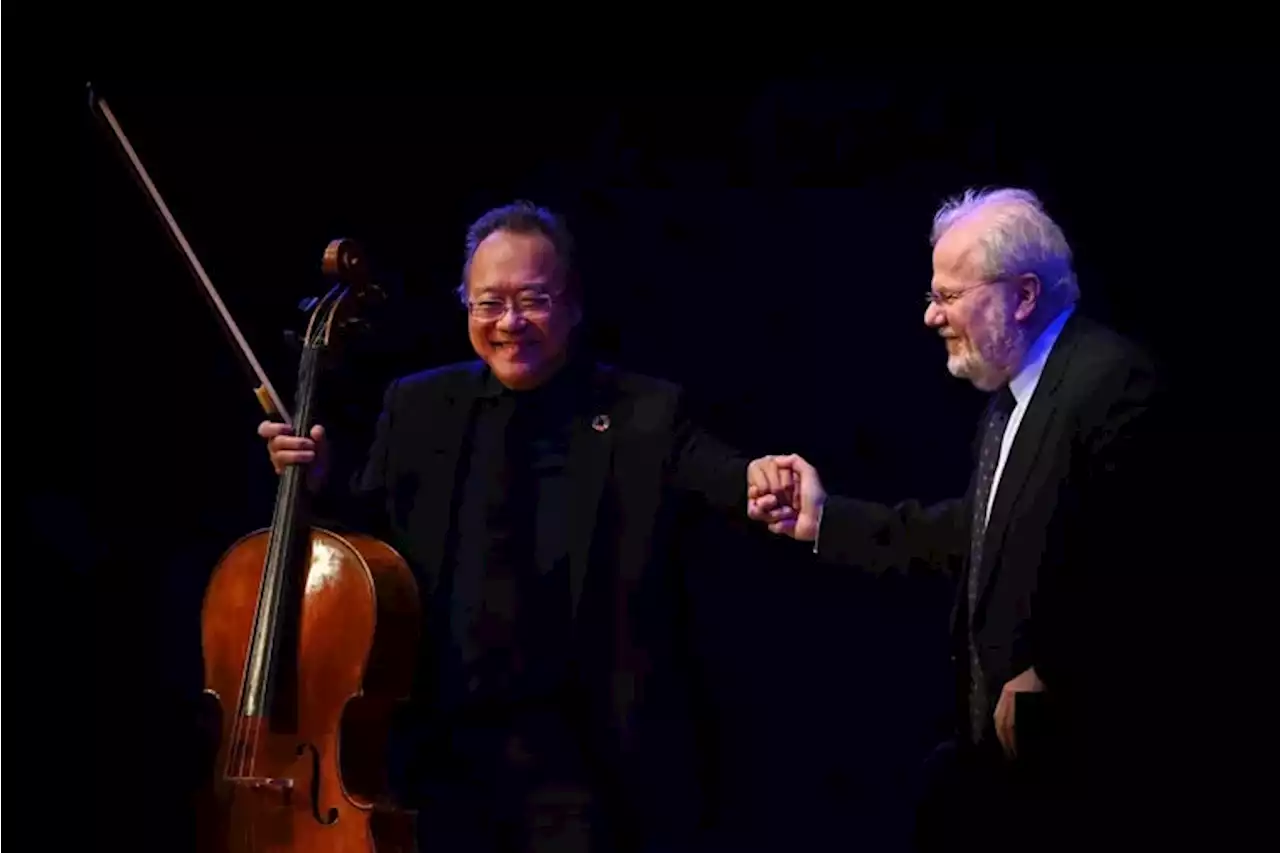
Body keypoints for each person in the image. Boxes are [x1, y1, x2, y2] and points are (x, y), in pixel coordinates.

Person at [259, 200, 791, 853]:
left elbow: (721, 472)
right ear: (465, 305)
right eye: (488, 303)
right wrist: (315, 485)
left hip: (582, 762)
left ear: (572, 304)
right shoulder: (419, 405)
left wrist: (763, 477)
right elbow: (371, 544)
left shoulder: (642, 412)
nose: (510, 322)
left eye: (533, 300)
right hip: (438, 751)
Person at [747, 187, 1168, 850]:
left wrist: (1057, 665)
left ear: (1023, 296)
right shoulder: (1012, 400)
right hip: (1011, 776)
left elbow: (1156, 566)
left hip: (1088, 781)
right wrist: (824, 519)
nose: (930, 317)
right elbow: (971, 538)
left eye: (948, 296)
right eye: (931, 296)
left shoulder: (1110, 383)